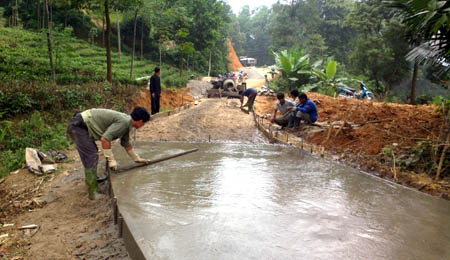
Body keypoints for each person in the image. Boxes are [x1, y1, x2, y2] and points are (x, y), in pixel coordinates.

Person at [67, 107, 151, 200]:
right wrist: (111, 160)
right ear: (140, 121)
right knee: (91, 155)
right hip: (79, 125)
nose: (143, 125)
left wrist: (136, 158)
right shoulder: (124, 122)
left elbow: (126, 143)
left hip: (82, 124)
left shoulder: (127, 122)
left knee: (92, 151)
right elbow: (105, 139)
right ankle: (93, 193)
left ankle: (92, 180)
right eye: (144, 123)